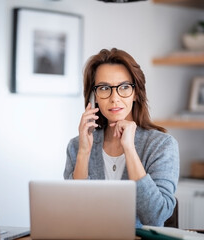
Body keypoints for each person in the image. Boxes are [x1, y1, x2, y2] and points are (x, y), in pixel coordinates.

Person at [64, 48, 179, 227]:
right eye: (104, 88)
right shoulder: (76, 146)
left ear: (136, 93)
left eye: (124, 87)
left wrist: (130, 149)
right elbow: (72, 216)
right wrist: (84, 152)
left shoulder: (162, 145)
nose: (114, 98)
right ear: (94, 97)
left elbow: (156, 216)